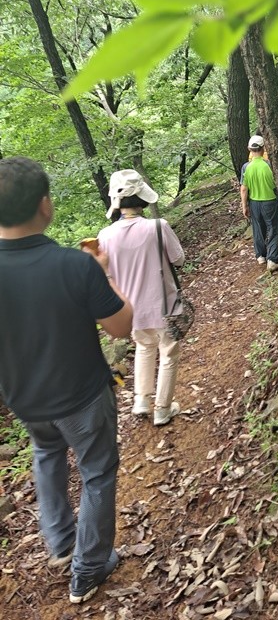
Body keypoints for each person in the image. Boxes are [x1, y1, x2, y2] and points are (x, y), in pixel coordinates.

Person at [0, 157, 133, 604]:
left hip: (25, 401)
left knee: (47, 454)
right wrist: (103, 272)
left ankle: (61, 544)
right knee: (97, 473)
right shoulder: (73, 265)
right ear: (44, 206)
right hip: (82, 397)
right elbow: (121, 327)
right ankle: (89, 567)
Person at [98, 170, 185, 427]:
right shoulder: (157, 227)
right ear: (141, 198)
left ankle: (141, 400)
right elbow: (178, 258)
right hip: (163, 303)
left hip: (130, 309)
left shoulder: (105, 235)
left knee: (145, 348)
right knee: (168, 352)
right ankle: (163, 408)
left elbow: (107, 273)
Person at [240, 135, 278, 271]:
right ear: (264, 148)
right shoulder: (269, 165)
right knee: (273, 228)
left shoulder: (246, 167)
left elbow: (244, 188)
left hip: (254, 202)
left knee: (258, 228)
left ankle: (260, 256)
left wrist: (244, 206)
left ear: (249, 149)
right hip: (270, 200)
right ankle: (273, 259)